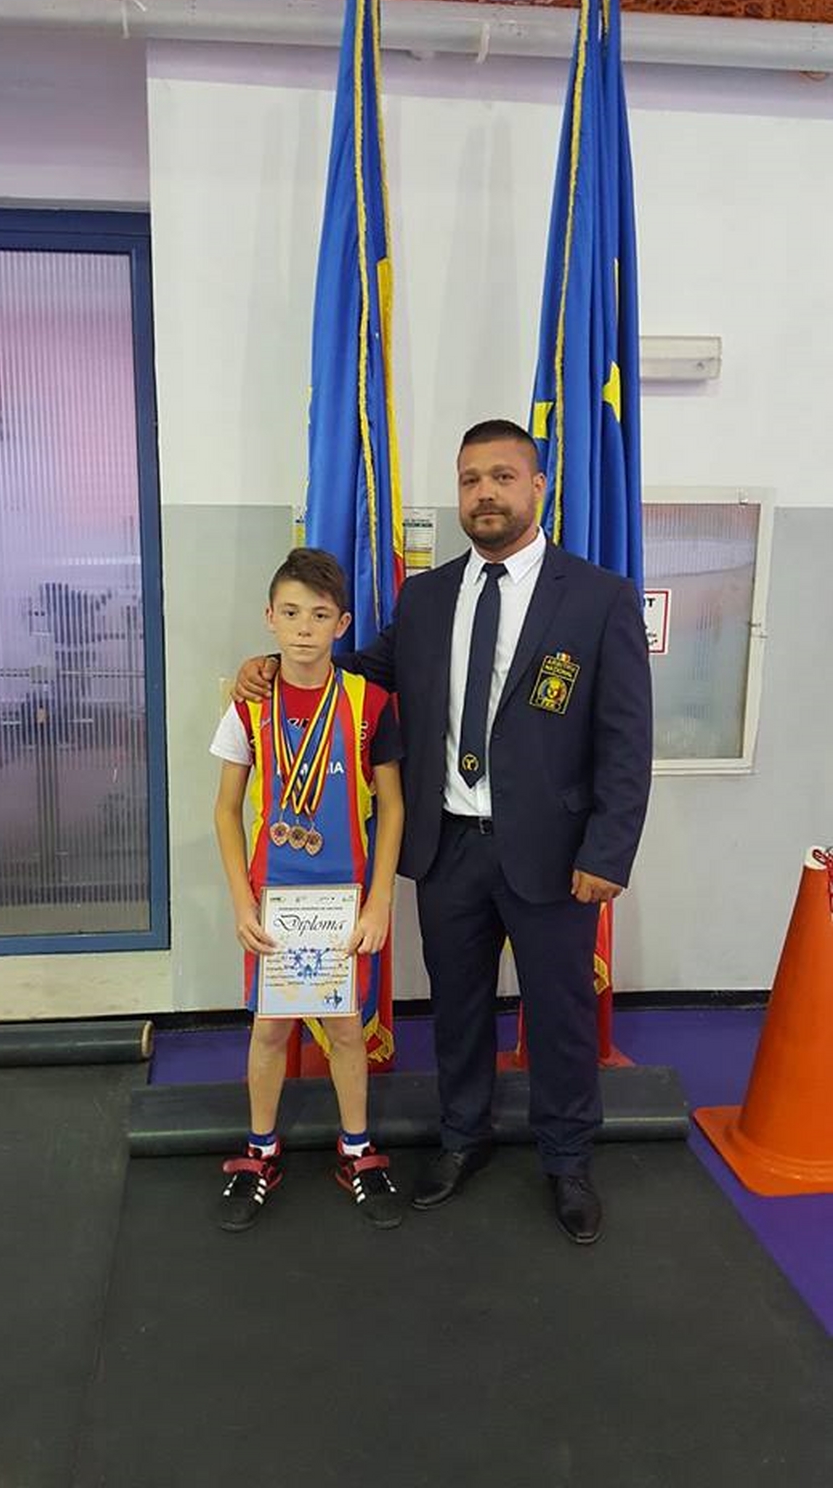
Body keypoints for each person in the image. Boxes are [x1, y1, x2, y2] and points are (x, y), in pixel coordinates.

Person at [235, 420, 652, 1244]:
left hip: (555, 854)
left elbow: (626, 735)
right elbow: (360, 675)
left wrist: (608, 850)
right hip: (448, 846)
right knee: (457, 1007)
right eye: (469, 479)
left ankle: (567, 1159)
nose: (484, 493)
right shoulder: (426, 598)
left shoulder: (597, 596)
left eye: (502, 476)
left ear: (537, 487)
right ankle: (463, 1138)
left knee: (559, 1011)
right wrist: (274, 667)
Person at [211, 548, 405, 1232]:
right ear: (269, 617)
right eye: (290, 613)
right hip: (273, 899)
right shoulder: (249, 703)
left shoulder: (368, 702)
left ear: (342, 624)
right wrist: (241, 901)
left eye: (319, 616)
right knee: (270, 1028)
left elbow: (393, 807)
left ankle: (355, 1149)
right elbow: (224, 811)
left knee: (346, 1027)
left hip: (344, 899)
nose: (303, 628)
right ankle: (260, 1150)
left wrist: (380, 900)